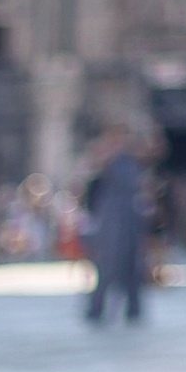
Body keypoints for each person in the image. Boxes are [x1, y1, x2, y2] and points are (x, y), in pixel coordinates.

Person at [81, 127, 146, 324]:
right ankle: (97, 308)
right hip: (112, 216)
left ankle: (133, 309)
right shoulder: (106, 158)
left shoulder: (131, 159)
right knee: (108, 263)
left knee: (132, 265)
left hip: (129, 215)